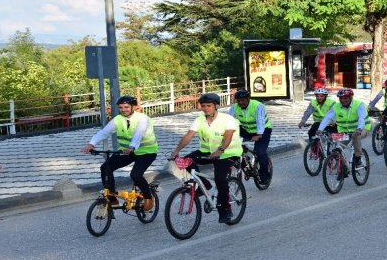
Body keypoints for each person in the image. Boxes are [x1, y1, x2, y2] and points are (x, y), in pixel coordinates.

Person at [170, 93, 242, 223]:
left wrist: (220, 150)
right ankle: (205, 184)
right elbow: (188, 136)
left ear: (216, 106)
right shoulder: (199, 120)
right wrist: (176, 150)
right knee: (185, 161)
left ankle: (226, 209)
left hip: (228, 153)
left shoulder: (227, 119)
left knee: (220, 179)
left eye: (209, 105)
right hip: (207, 152)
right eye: (203, 106)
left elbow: (228, 136)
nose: (205, 108)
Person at [81, 96, 157, 211]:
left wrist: (132, 146)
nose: (123, 110)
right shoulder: (118, 119)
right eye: (120, 107)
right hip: (127, 152)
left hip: (146, 152)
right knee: (106, 167)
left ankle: (148, 197)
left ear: (134, 107)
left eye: (126, 107)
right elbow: (104, 132)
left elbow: (139, 133)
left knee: (135, 175)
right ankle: (112, 198)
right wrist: (91, 144)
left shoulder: (142, 119)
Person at [317, 88, 372, 166]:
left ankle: (358, 158)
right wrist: (320, 129)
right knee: (336, 150)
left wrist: (359, 128)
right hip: (344, 132)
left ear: (351, 98)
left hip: (362, 129)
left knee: (355, 136)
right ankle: (343, 169)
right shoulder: (336, 107)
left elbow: (361, 118)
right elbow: (327, 118)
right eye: (341, 98)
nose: (343, 100)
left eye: (345, 98)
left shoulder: (359, 105)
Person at [228, 89, 272, 185]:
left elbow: (260, 121)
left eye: (243, 100)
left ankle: (264, 175)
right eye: (238, 101)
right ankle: (244, 158)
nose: (240, 102)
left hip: (263, 130)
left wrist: (259, 135)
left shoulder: (257, 106)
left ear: (248, 99)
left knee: (260, 152)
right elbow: (228, 120)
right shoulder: (234, 108)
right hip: (247, 130)